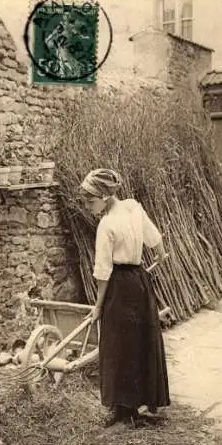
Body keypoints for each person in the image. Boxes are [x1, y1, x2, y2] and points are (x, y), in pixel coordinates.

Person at [79, 168, 170, 428]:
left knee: (119, 344)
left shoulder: (106, 224)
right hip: (139, 282)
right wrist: (161, 254)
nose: (88, 206)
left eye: (91, 201)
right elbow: (155, 238)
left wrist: (98, 307)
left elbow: (103, 271)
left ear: (106, 196)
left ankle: (123, 410)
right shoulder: (133, 207)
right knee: (139, 340)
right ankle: (133, 405)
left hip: (119, 285)